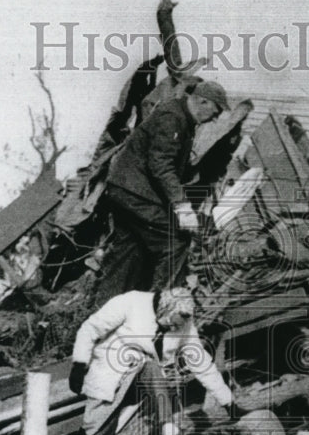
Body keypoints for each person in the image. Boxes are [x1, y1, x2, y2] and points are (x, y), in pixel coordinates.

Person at [93, 80, 230, 308]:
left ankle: (102, 316)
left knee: (127, 254)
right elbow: (161, 165)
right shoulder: (173, 117)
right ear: (203, 101)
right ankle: (159, 313)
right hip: (135, 193)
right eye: (214, 112)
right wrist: (182, 207)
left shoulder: (179, 116)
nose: (214, 118)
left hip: (126, 189)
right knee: (175, 242)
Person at [67, 287, 233, 435]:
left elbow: (201, 363)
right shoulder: (131, 302)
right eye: (171, 325)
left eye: (177, 327)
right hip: (111, 373)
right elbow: (90, 328)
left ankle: (168, 429)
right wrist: (79, 364)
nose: (174, 329)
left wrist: (228, 401)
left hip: (145, 384)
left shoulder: (184, 325)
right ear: (165, 309)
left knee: (151, 367)